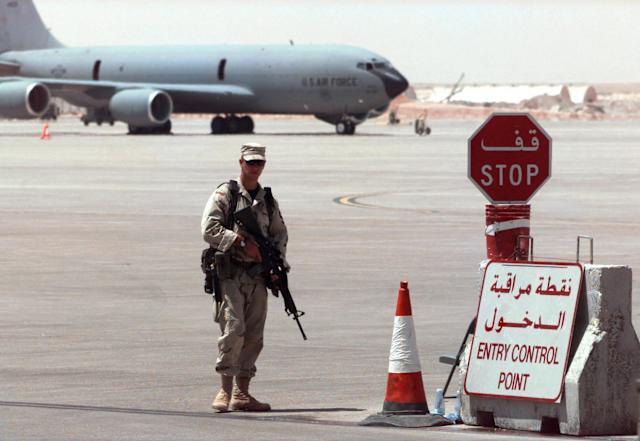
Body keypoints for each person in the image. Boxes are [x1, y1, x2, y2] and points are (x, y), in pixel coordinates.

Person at [201, 142, 288, 412]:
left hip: (258, 277)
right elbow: (209, 228)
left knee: (254, 335)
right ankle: (225, 390)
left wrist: (277, 267)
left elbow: (279, 235)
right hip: (231, 274)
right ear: (241, 162)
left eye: (259, 163)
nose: (255, 167)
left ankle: (242, 393)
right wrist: (239, 243)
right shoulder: (226, 194)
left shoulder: (268, 200)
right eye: (250, 162)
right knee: (233, 329)